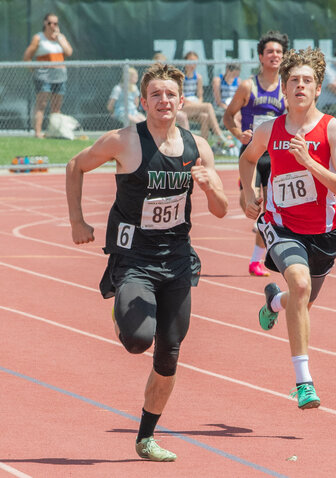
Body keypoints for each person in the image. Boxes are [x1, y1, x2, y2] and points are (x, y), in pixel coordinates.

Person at [65, 63, 229, 461]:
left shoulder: (198, 148)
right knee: (138, 340)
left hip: (176, 258)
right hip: (134, 257)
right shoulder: (123, 141)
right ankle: (124, 308)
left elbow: (223, 210)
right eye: (155, 94)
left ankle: (145, 437)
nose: (164, 101)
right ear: (143, 102)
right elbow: (75, 165)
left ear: (181, 100)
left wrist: (209, 189)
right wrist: (77, 221)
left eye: (170, 94)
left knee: (169, 352)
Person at [239, 47, 336, 410]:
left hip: (323, 232)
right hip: (280, 225)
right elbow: (247, 159)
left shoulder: (332, 129)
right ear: (284, 90)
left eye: (307, 81)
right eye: (294, 81)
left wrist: (309, 162)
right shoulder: (269, 129)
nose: (300, 86)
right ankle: (304, 382)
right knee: (301, 285)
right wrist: (246, 192)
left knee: (302, 299)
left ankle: (274, 300)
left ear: (318, 88)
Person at [224, 31, 288, 277]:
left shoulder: (287, 86)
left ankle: (255, 261)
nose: (275, 56)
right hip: (251, 151)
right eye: (270, 51)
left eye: (279, 52)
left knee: (270, 208)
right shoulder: (248, 86)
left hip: (275, 153)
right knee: (247, 202)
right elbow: (228, 115)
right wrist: (237, 133)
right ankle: (257, 223)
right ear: (261, 56)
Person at [22, 12, 73, 138]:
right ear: (45, 23)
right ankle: (38, 133)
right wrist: (33, 70)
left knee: (56, 106)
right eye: (50, 23)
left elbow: (69, 52)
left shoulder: (60, 38)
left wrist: (59, 38)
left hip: (60, 75)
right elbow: (27, 56)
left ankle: (54, 132)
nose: (53, 26)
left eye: (55, 23)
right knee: (42, 104)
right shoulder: (39, 38)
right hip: (44, 76)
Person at [181, 51, 233, 151]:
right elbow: (181, 97)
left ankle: (203, 148)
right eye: (190, 61)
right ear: (185, 62)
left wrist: (198, 103)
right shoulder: (181, 76)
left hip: (195, 106)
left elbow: (200, 96)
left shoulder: (198, 77)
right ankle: (219, 135)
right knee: (208, 106)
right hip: (184, 107)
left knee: (204, 116)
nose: (193, 64)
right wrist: (196, 104)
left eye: (195, 62)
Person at [152, 53, 189, 129]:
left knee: (183, 116)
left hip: (170, 107)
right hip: (155, 109)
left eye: (163, 64)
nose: (161, 66)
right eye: (158, 64)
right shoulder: (150, 79)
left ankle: (186, 140)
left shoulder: (171, 78)